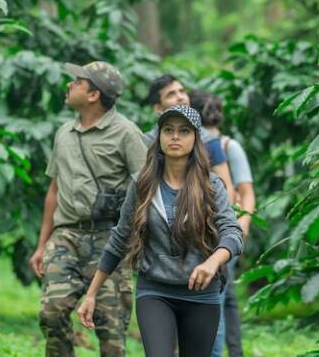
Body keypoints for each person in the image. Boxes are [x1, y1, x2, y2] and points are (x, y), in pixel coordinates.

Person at [77, 105, 244, 357]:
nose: (175, 136)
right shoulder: (142, 184)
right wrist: (91, 294)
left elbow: (232, 232)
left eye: (183, 131)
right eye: (168, 130)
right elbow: (120, 238)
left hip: (201, 294)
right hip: (155, 290)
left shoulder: (212, 186)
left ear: (195, 139)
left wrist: (212, 262)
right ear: (159, 138)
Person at [28, 61, 147, 357]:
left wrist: (137, 243)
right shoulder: (64, 133)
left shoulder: (127, 133)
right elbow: (54, 190)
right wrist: (42, 245)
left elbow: (148, 188)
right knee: (51, 313)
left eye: (77, 81)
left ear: (94, 94)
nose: (69, 85)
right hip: (65, 235)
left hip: (110, 240)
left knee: (111, 329)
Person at [190, 90, 256, 357]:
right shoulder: (190, 145)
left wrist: (240, 229)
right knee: (225, 299)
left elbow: (246, 193)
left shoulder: (226, 147)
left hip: (223, 234)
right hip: (204, 234)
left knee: (215, 300)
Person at [144, 75, 236, 203]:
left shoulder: (209, 141)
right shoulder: (146, 142)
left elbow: (227, 188)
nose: (180, 97)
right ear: (158, 108)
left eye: (182, 91)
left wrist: (221, 219)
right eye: (171, 94)